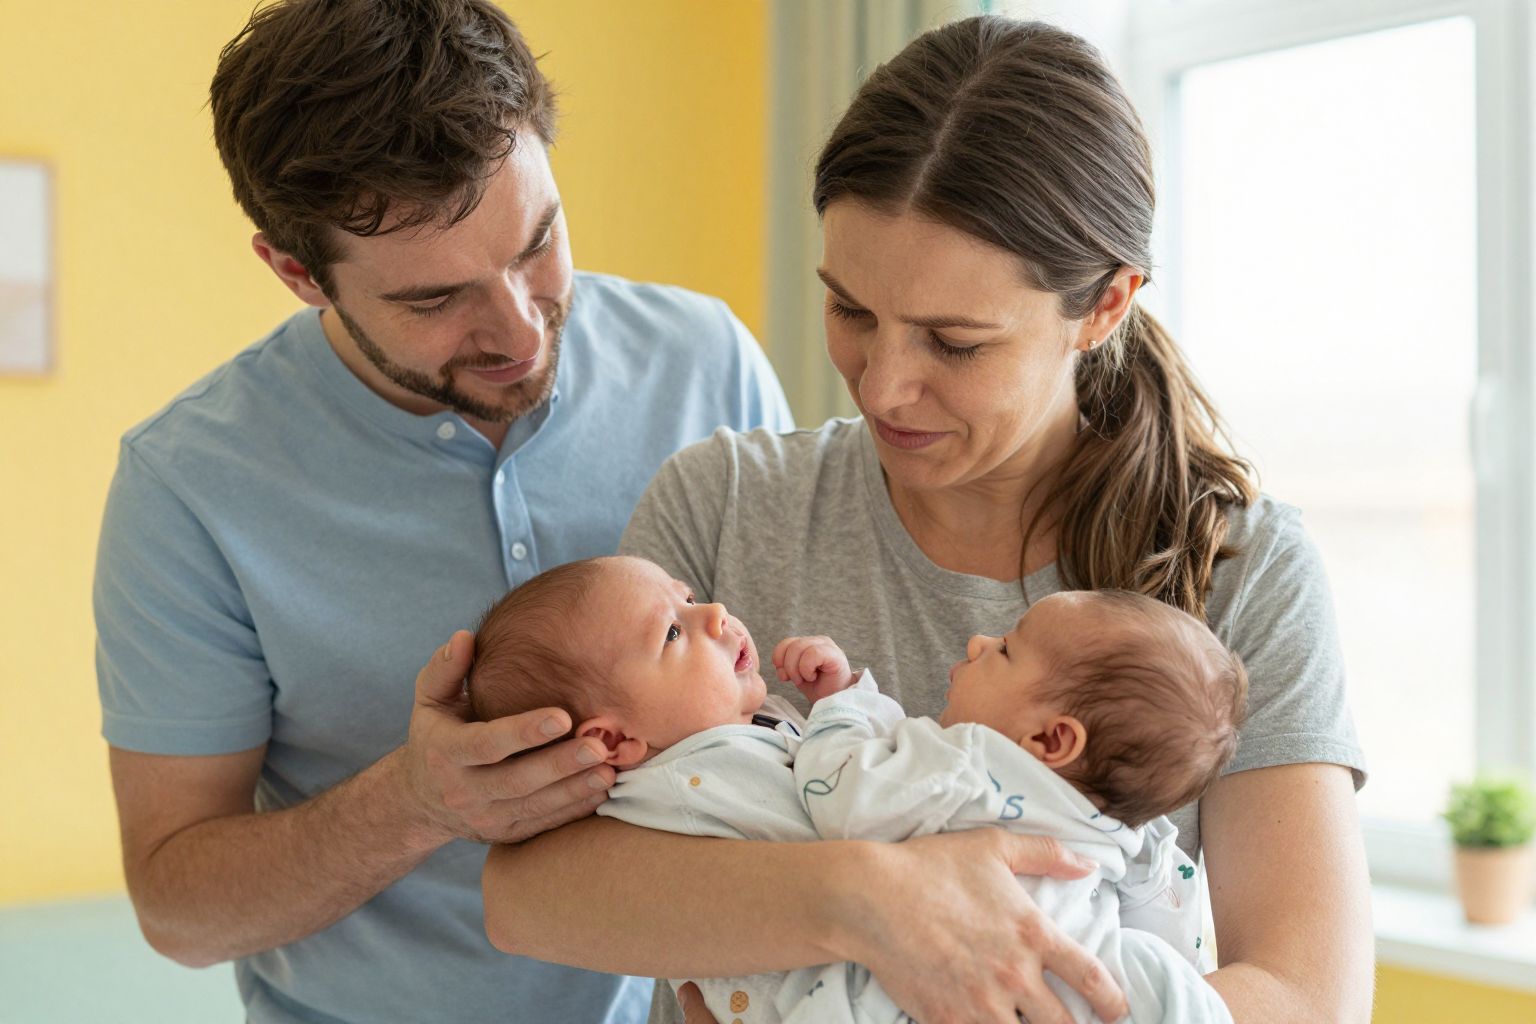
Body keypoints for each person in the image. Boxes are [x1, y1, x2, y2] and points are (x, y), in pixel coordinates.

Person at [477, 15, 1373, 1024]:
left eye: (955, 342)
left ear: (1106, 304)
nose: (886, 386)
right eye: (851, 310)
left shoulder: (1241, 568)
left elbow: (1308, 996)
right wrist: (869, 902)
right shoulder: (723, 503)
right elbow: (535, 893)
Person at [91, 2, 791, 1022]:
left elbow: (795, 720)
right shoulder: (189, 486)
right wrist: (414, 804)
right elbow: (178, 910)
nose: (516, 328)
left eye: (539, 243)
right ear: (297, 273)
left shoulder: (706, 360)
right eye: (433, 301)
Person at [465, 554, 1245, 1023]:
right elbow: (849, 800)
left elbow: (858, 790)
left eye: (689, 595)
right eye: (673, 631)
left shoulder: (746, 743)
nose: (713, 612)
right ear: (611, 740)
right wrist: (842, 704)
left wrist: (838, 708)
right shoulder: (684, 783)